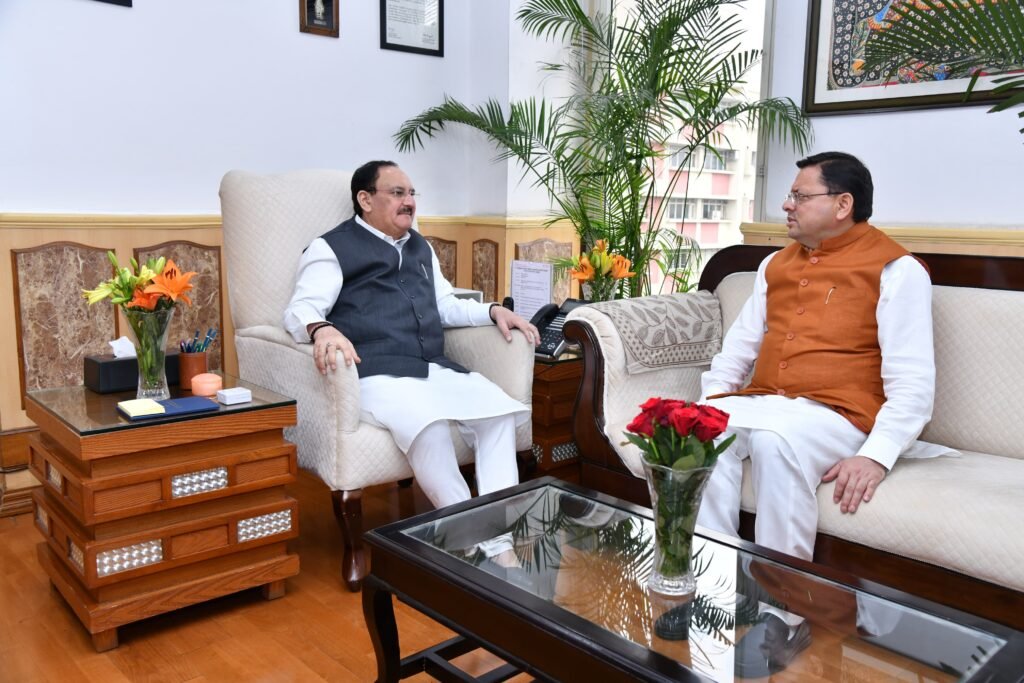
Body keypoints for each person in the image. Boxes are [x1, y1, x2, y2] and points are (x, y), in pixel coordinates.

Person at [694, 151, 938, 674]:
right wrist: (709, 404)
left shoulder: (898, 271)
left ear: (842, 204)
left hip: (840, 414)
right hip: (768, 402)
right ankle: (714, 590)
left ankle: (783, 612)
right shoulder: (774, 264)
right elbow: (736, 352)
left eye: (800, 196)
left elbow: (914, 385)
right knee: (703, 433)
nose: (787, 205)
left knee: (774, 442)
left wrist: (876, 455)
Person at [283, 160, 539, 513]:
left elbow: (444, 304)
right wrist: (322, 328)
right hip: (376, 372)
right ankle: (465, 527)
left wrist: (493, 311)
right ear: (365, 200)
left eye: (411, 193)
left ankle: (499, 531)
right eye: (397, 193)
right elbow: (299, 310)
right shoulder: (330, 248)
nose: (409, 202)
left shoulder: (420, 247)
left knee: (497, 415)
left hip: (432, 366)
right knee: (429, 426)